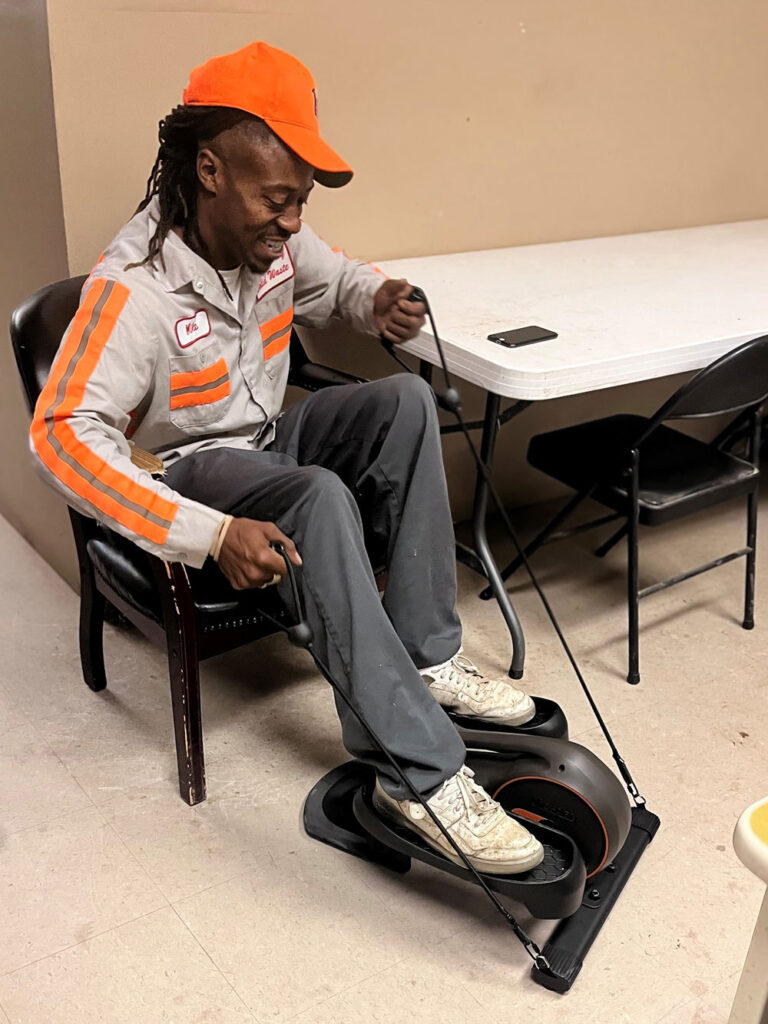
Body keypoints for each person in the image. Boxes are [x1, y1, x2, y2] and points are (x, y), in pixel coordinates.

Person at [31, 41, 544, 874]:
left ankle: (427, 656)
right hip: (196, 473)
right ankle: (414, 777)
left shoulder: (270, 241)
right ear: (209, 170)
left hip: (271, 442)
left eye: (300, 200)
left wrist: (375, 298)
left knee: (404, 401)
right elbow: (59, 435)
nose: (294, 222)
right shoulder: (133, 291)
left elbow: (335, 279)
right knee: (316, 496)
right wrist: (205, 534)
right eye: (278, 199)